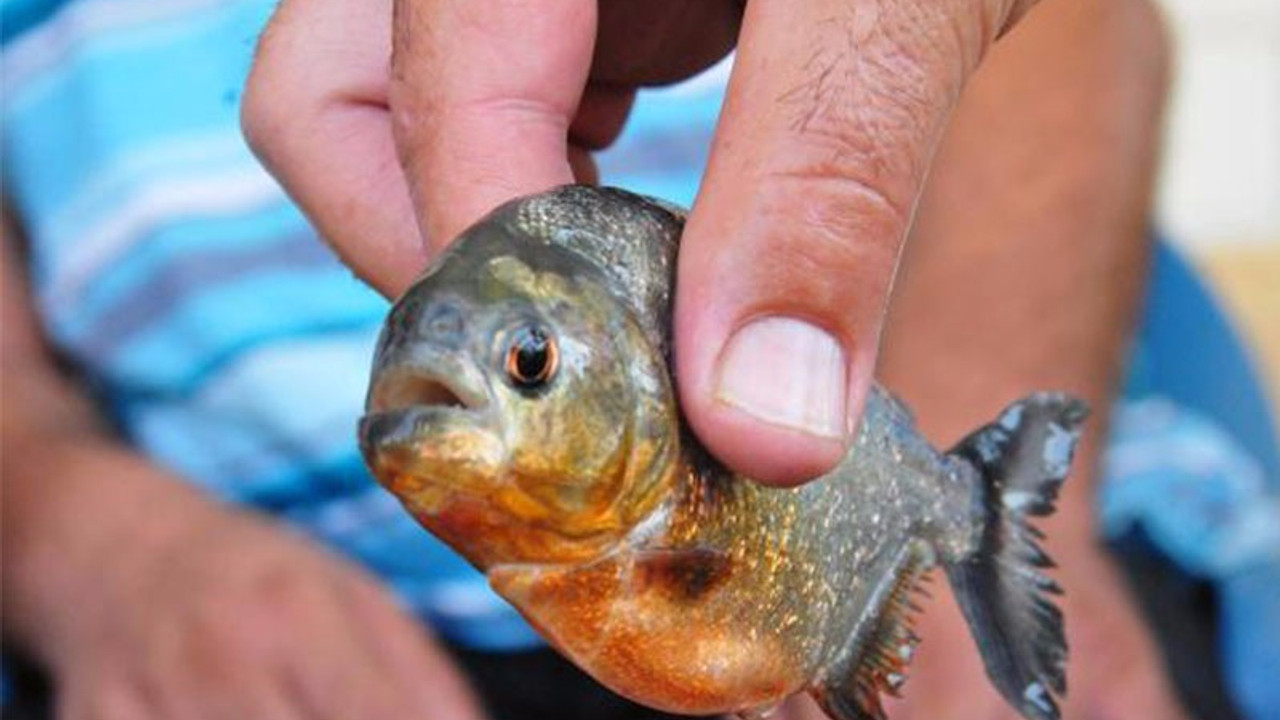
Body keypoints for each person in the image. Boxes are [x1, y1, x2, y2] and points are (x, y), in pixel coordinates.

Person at [1, 0, 1186, 718]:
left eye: (518, 365)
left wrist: (929, 495)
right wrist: (90, 543)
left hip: (918, 426)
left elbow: (1071, 21)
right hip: (222, 575)